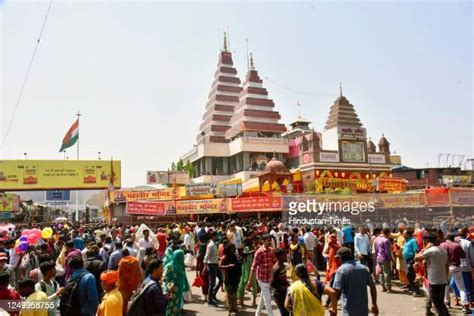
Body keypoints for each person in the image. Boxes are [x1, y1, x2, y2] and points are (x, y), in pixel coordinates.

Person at [333, 247, 378, 316]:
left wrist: (333, 307)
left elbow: (337, 291)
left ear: (340, 258)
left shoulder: (341, 270)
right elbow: (372, 286)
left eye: (338, 258)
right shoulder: (363, 268)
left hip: (349, 310)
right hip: (363, 310)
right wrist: (374, 304)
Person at [415, 233, 449, 316]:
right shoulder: (443, 250)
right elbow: (447, 265)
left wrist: (425, 248)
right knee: (440, 302)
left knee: (437, 304)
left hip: (435, 281)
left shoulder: (431, 250)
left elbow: (416, 258)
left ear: (427, 241)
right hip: (442, 279)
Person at [440, 232, 470, 313]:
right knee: (461, 287)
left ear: (446, 238)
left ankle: (446, 303)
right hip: (455, 267)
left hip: (445, 268)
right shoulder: (456, 246)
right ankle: (465, 305)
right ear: (453, 238)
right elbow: (463, 256)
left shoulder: (442, 245)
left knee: (446, 285)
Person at [247, 234, 276, 316]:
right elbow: (253, 268)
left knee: (263, 299)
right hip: (262, 279)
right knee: (268, 300)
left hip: (269, 278)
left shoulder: (271, 250)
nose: (270, 242)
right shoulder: (259, 252)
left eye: (270, 240)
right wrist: (250, 281)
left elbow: (274, 262)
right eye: (268, 240)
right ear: (263, 241)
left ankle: (257, 314)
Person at [163, 249, 189, 316]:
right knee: (170, 307)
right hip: (171, 291)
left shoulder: (180, 265)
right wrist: (167, 290)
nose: (183, 258)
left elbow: (184, 278)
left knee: (177, 306)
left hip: (178, 291)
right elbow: (165, 279)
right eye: (181, 256)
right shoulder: (169, 266)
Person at [220, 243, 241, 315]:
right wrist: (228, 266)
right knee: (229, 294)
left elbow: (238, 264)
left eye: (234, 248)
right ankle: (229, 310)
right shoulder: (225, 257)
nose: (234, 249)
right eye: (232, 248)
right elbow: (220, 266)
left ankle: (234, 307)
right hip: (228, 277)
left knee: (234, 293)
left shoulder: (234, 255)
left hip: (235, 277)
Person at [237, 241, 257, 307]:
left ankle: (241, 301)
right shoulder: (252, 248)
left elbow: (244, 258)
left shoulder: (246, 248)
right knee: (254, 285)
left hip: (245, 268)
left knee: (242, 285)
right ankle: (254, 301)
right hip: (252, 268)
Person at [457, 228, 473, 306]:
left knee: (455, 284)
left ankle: (458, 298)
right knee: (467, 283)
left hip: (456, 267)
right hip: (466, 266)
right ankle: (470, 300)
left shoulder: (455, 241)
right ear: (466, 234)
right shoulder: (468, 243)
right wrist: (473, 265)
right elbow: (472, 256)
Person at [271, 248, 289, 316]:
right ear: (279, 257)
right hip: (279, 295)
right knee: (284, 313)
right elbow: (272, 284)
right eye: (284, 255)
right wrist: (284, 288)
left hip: (284, 292)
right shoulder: (276, 268)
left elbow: (283, 278)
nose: (286, 256)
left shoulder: (283, 265)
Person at [373, 227, 392, 292]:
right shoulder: (386, 240)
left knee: (381, 274)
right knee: (386, 273)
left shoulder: (377, 239)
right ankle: (388, 289)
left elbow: (376, 249)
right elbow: (387, 251)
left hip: (378, 258)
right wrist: (390, 258)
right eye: (389, 232)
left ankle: (383, 288)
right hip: (385, 258)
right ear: (387, 232)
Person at [403, 228, 421, 296]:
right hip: (407, 260)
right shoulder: (407, 241)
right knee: (409, 275)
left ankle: (416, 291)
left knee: (411, 275)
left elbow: (416, 250)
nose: (403, 235)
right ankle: (412, 289)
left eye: (404, 233)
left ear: (408, 234)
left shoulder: (413, 241)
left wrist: (416, 261)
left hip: (411, 260)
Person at [203, 231, 219, 306]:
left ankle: (212, 296)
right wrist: (205, 267)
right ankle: (209, 300)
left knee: (216, 281)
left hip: (215, 264)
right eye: (216, 236)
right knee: (212, 283)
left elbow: (214, 255)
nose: (217, 237)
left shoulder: (214, 244)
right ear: (213, 237)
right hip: (211, 265)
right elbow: (206, 257)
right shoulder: (211, 245)